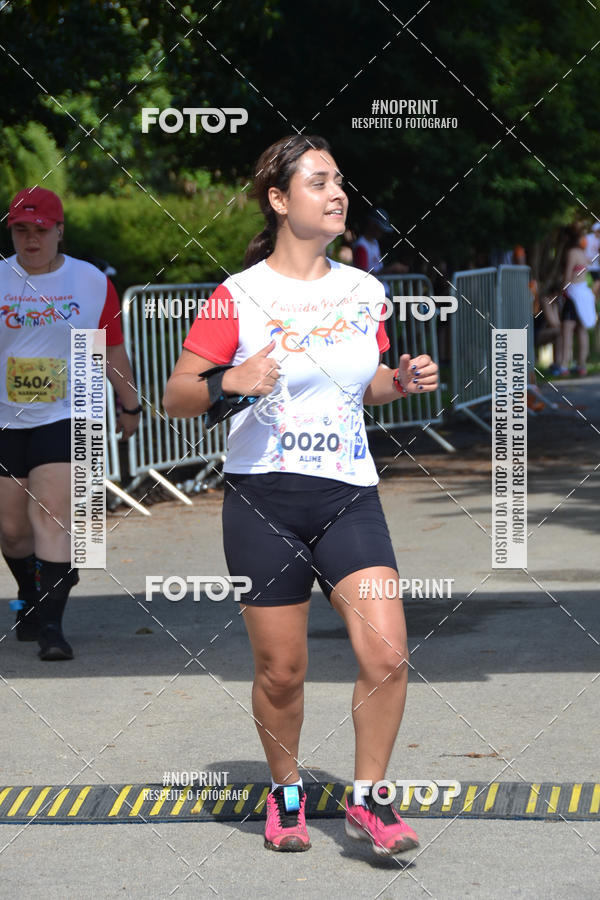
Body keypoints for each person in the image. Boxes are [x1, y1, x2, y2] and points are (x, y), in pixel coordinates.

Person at [163, 135, 439, 857]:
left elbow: (367, 383)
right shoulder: (240, 295)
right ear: (281, 200)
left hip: (349, 494)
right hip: (264, 501)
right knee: (281, 673)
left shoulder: (364, 289)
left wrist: (398, 381)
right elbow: (176, 396)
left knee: (386, 651)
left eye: (340, 180)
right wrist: (230, 380)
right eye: (319, 181)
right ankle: (285, 791)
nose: (338, 192)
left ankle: (370, 800)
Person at [0, 187, 141, 660]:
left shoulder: (90, 282)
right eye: (21, 230)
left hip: (67, 412)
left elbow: (111, 348)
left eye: (40, 230)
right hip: (6, 418)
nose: (30, 239)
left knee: (52, 517)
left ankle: (52, 629)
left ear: (59, 230)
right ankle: (35, 593)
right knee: (12, 529)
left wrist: (129, 403)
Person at [552, 225, 598, 377]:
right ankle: (582, 365)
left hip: (573, 294)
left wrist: (561, 290)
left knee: (567, 329)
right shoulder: (582, 252)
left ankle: (564, 365)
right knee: (581, 330)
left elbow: (568, 275)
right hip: (583, 293)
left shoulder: (571, 252)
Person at [352, 207, 409, 289]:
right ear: (371, 224)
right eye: (379, 227)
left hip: (381, 291)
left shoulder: (374, 242)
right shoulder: (361, 245)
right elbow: (363, 276)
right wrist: (390, 269)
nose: (382, 232)